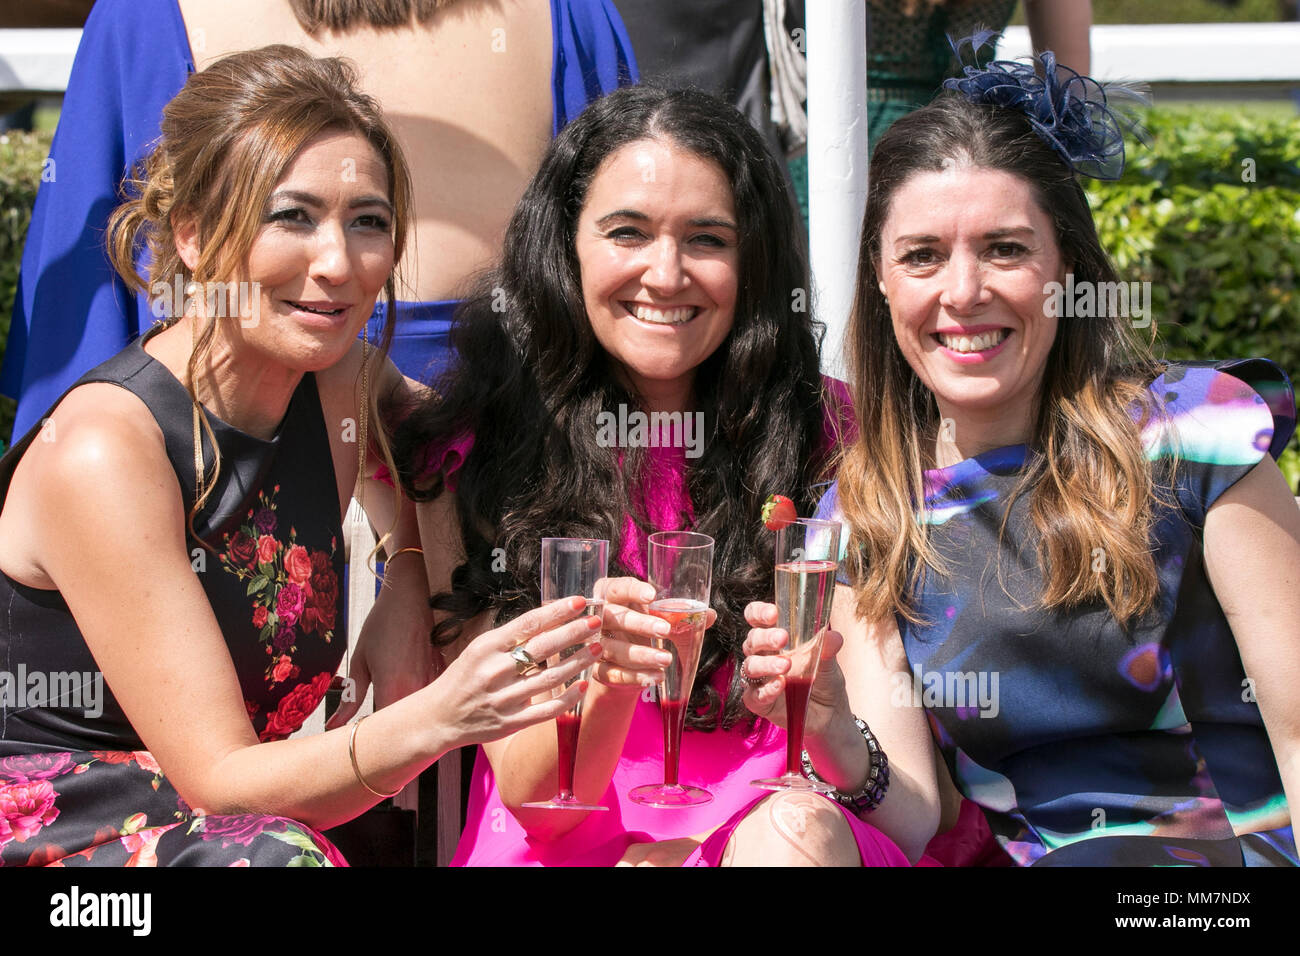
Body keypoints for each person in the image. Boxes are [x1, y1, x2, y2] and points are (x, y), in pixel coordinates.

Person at [0, 46, 597, 867]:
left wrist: (407, 578)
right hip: (71, 839)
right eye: (293, 216)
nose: (337, 264)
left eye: (368, 221)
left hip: (243, 826)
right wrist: (446, 713)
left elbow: (437, 445)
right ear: (196, 235)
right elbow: (221, 780)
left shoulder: (338, 375)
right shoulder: (109, 449)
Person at [390, 84, 940, 866]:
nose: (666, 272)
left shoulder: (837, 442)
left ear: (752, 261)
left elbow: (906, 794)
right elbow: (542, 803)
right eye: (627, 232)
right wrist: (609, 679)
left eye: (708, 240)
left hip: (788, 834)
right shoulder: (475, 452)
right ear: (566, 244)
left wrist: (833, 732)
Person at [788, 40, 1300, 865]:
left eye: (1005, 249)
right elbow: (916, 816)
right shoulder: (863, 513)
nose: (963, 292)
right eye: (922, 255)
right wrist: (831, 727)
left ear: (1065, 267)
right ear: (881, 282)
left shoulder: (1196, 432)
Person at [2, 0, 636, 440]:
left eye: (369, 223)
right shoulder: (143, 19)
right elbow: (77, 378)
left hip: (506, 512)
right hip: (210, 526)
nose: (336, 266)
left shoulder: (571, 18)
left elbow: (636, 300)